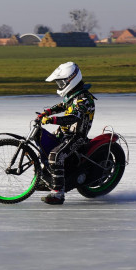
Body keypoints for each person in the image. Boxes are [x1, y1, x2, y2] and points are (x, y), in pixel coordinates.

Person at [36, 62, 95, 205]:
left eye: (61, 82)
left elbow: (74, 117)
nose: (59, 85)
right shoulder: (73, 95)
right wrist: (48, 111)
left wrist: (51, 120)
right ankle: (48, 180)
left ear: (70, 80)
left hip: (77, 136)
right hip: (64, 133)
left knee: (56, 156)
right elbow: (63, 105)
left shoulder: (84, 99)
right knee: (44, 147)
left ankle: (58, 194)